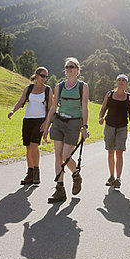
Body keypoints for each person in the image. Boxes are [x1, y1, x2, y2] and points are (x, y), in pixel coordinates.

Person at [41, 57, 89, 203]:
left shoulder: (83, 86)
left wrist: (85, 127)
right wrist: (47, 126)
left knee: (65, 155)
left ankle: (75, 174)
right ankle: (60, 189)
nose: (69, 69)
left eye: (72, 67)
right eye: (67, 67)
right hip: (58, 122)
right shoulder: (59, 86)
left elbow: (84, 107)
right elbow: (53, 107)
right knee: (58, 155)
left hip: (74, 123)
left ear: (78, 70)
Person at [8, 66, 53, 185]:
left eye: (46, 76)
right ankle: (30, 173)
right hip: (28, 120)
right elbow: (21, 101)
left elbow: (50, 108)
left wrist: (46, 124)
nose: (44, 78)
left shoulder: (48, 90)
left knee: (34, 144)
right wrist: (13, 111)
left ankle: (36, 172)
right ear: (37, 75)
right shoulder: (28, 88)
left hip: (40, 120)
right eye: (42, 76)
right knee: (28, 146)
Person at [98, 74, 130, 189]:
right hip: (109, 126)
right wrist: (101, 117)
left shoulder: (129, 97)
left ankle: (118, 179)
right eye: (119, 80)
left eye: (123, 80)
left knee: (119, 152)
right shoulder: (109, 94)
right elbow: (103, 108)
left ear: (126, 83)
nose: (121, 82)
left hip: (122, 127)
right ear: (116, 82)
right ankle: (111, 176)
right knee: (110, 152)